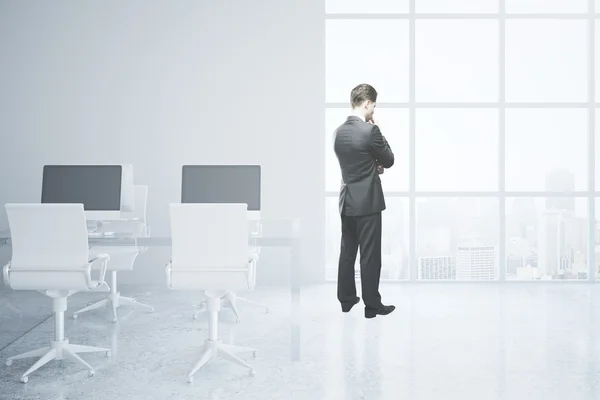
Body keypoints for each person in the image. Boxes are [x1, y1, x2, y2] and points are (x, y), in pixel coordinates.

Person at [333, 83, 396, 319]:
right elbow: (388, 160)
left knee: (347, 251)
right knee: (369, 255)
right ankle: (372, 305)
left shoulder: (338, 132)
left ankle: (346, 300)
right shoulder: (370, 131)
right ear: (367, 103)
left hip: (346, 199)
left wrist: (371, 165)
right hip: (367, 201)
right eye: (374, 106)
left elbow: (354, 162)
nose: (373, 111)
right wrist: (377, 129)